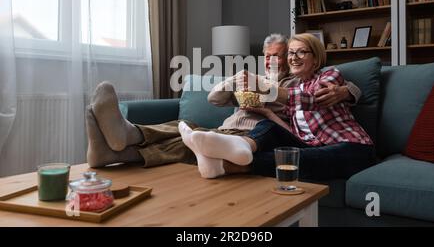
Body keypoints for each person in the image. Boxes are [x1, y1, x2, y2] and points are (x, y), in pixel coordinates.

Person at [86, 34, 361, 178]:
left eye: (279, 56)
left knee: (192, 140)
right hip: (225, 129)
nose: (273, 61)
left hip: (248, 136)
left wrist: (349, 91)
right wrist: (234, 80)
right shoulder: (255, 80)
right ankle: (126, 137)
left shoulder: (290, 85)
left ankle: (118, 148)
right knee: (190, 129)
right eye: (268, 57)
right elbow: (213, 99)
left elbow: (302, 108)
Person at [179, 33, 376, 181]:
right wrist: (265, 112)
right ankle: (241, 147)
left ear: (316, 59)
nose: (294, 57)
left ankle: (227, 165)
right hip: (311, 144)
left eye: (301, 52)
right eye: (291, 53)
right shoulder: (291, 86)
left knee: (302, 157)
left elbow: (310, 99)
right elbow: (291, 132)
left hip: (352, 147)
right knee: (271, 128)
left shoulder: (329, 76)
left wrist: (348, 91)